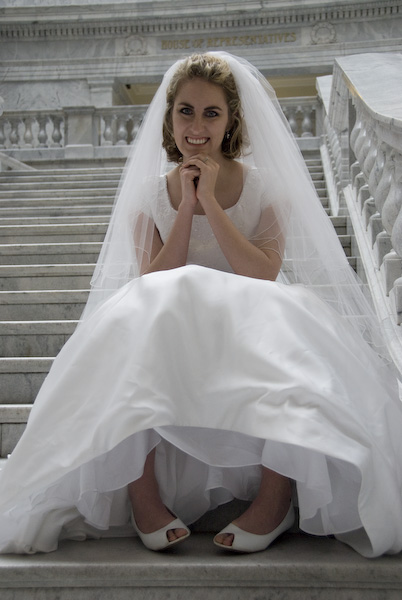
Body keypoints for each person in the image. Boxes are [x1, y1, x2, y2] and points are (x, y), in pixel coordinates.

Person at [0, 52, 402, 558]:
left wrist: (211, 199)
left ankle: (274, 500)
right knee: (137, 312)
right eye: (185, 111)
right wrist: (186, 205)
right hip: (175, 324)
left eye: (212, 113)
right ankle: (143, 498)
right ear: (170, 118)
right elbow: (154, 278)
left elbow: (262, 272)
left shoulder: (266, 186)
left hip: (251, 319)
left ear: (231, 120)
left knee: (288, 324)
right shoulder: (149, 196)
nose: (197, 126)